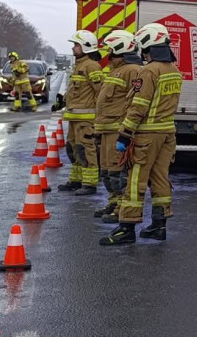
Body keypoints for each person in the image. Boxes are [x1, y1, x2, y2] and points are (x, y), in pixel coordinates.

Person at [100, 23, 181, 245]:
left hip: (146, 135)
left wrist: (125, 134)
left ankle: (126, 228)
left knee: (135, 180)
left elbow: (139, 105)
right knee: (160, 178)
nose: (142, 52)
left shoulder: (149, 71)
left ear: (148, 43)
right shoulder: (174, 70)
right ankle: (159, 225)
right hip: (167, 133)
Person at [91, 30, 142, 222]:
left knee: (117, 173)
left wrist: (127, 131)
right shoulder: (115, 69)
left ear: (120, 48)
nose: (108, 53)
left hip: (116, 130)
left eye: (111, 48)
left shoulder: (133, 70)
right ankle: (113, 202)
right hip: (105, 130)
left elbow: (136, 100)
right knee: (106, 172)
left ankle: (121, 207)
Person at [56, 30, 104, 195]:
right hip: (75, 118)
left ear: (86, 46)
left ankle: (89, 184)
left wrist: (99, 118)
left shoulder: (92, 66)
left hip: (86, 119)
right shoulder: (79, 66)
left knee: (86, 149)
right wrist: (62, 101)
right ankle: (76, 180)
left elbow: (100, 93)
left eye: (76, 45)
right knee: (73, 149)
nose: (73, 48)